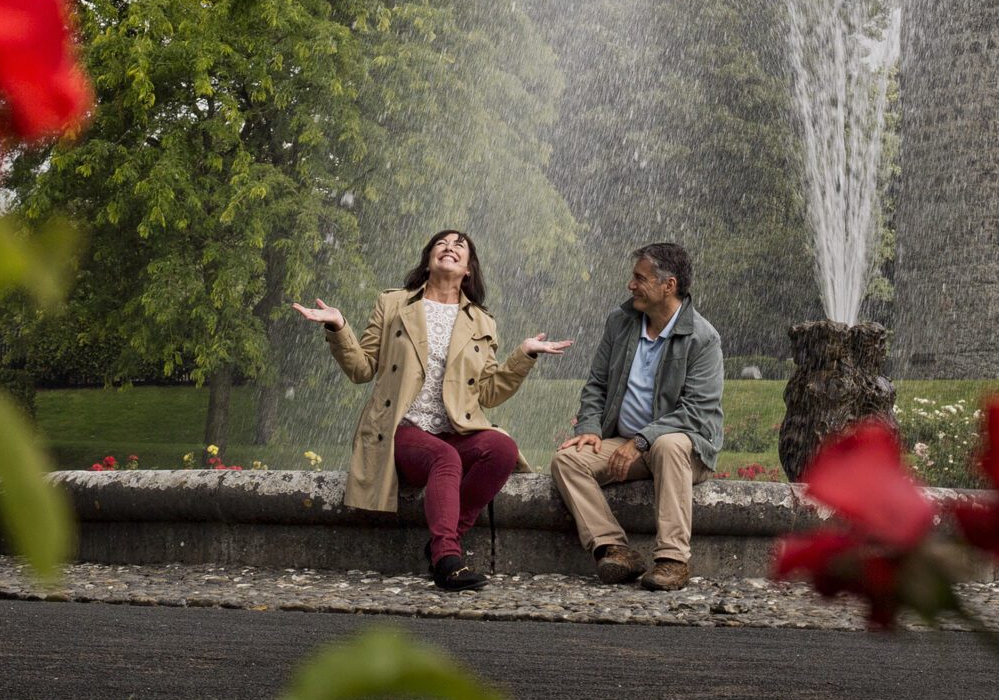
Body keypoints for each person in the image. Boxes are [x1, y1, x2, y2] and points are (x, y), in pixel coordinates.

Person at [294, 230, 570, 591]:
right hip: (403, 429)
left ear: (468, 269)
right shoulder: (393, 304)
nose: (450, 247)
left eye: (460, 246)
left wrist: (525, 355)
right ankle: (447, 560)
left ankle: (446, 537)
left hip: (455, 430)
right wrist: (338, 327)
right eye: (442, 243)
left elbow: (487, 393)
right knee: (445, 459)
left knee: (502, 449)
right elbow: (361, 369)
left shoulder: (482, 322)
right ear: (428, 260)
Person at [550, 241, 724, 590]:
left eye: (639, 278)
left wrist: (642, 440)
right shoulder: (621, 322)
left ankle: (673, 560)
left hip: (684, 450)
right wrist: (589, 427)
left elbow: (696, 412)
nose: (631, 285)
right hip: (626, 442)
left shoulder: (703, 339)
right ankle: (614, 548)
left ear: (668, 285)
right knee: (567, 460)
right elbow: (597, 384)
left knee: (669, 445)